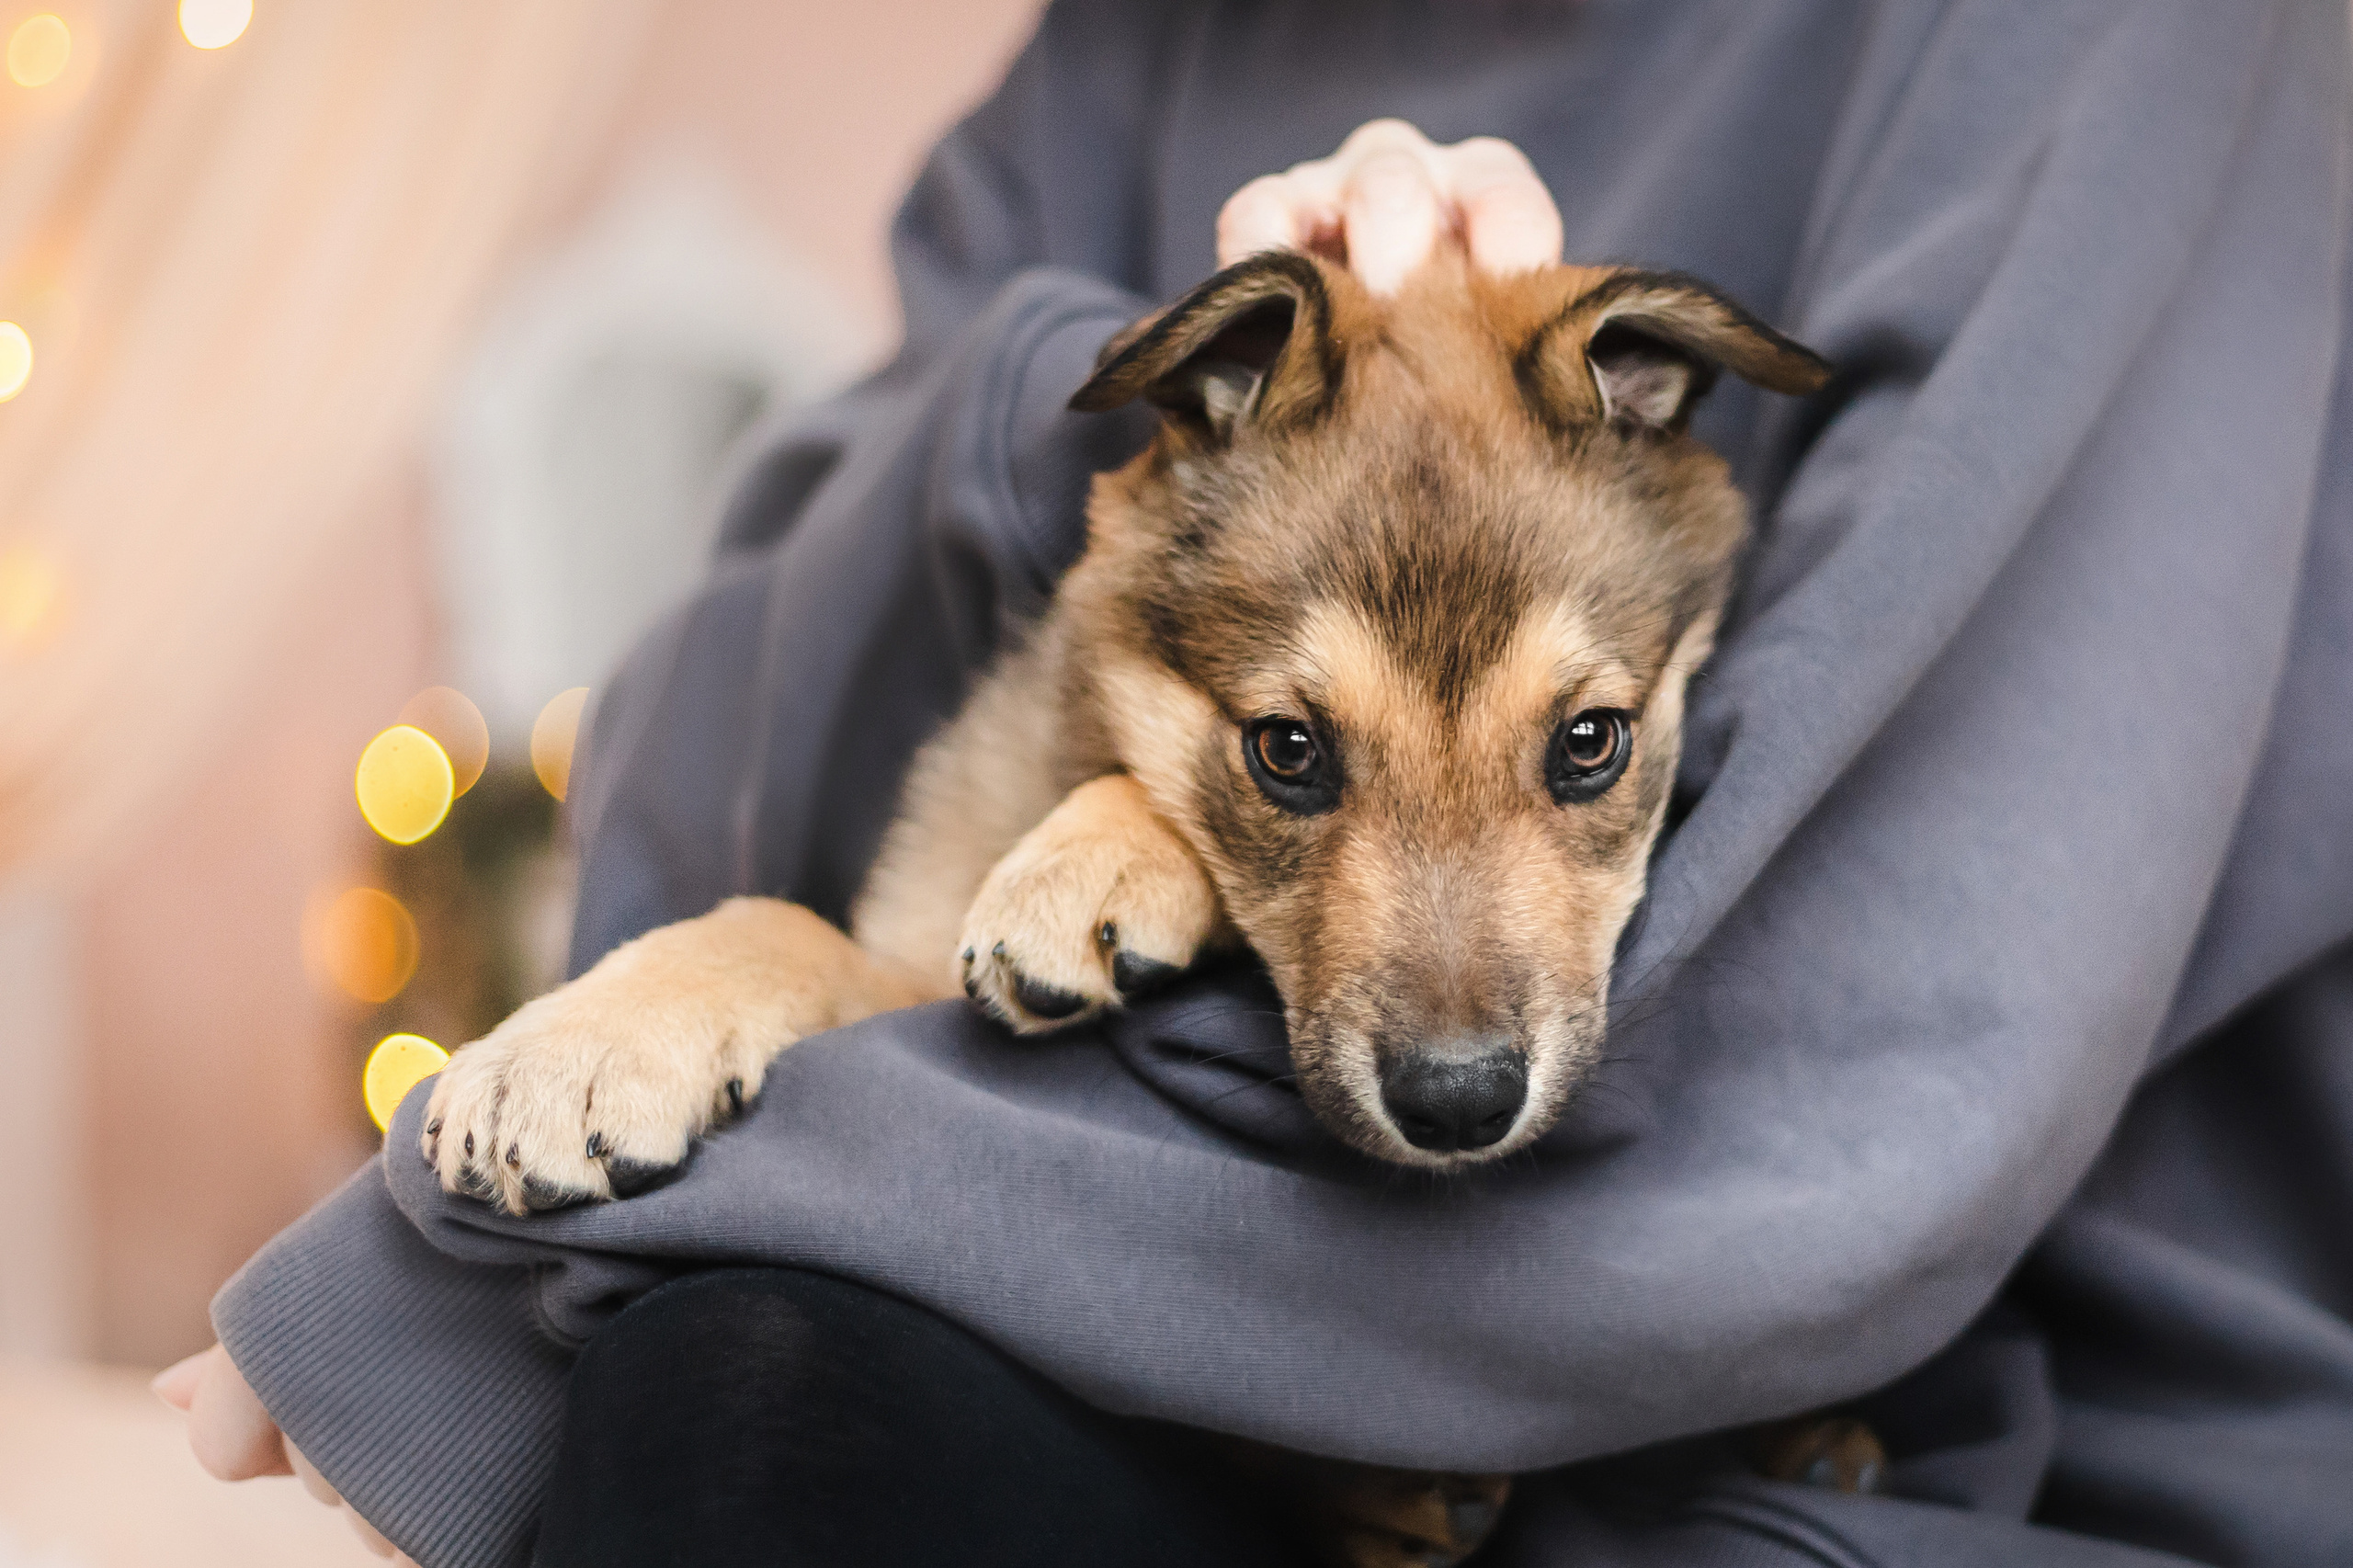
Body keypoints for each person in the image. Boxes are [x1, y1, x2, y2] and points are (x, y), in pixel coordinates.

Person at [166, 4, 2353, 1565]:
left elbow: (1872, 1112)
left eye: (1577, 758)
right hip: (1181, 1352)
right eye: (1301, 763)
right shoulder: (1120, 57)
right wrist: (1061, 393)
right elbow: (724, 769)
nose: (1451, 1008)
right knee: (745, 1387)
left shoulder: (2132, 49)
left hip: (1947, 1442)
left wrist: (472, 1266)